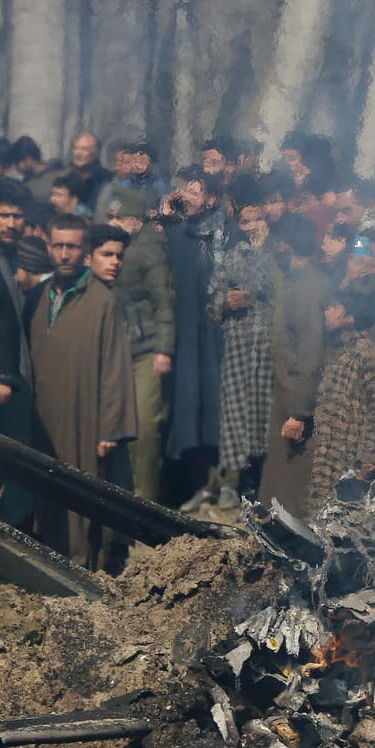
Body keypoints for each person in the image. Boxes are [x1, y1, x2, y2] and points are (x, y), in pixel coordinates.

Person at [28, 214, 136, 567]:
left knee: (84, 495)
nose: (64, 254)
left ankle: (84, 570)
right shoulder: (36, 297)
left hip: (85, 416)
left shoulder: (103, 301)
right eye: (57, 246)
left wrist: (109, 428)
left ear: (85, 251)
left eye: (72, 247)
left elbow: (115, 369)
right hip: (44, 416)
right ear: (48, 247)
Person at [163, 165, 231, 510]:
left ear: (211, 198)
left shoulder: (231, 237)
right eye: (184, 189)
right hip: (188, 339)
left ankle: (227, 488)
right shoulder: (177, 239)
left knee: (223, 413)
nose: (186, 197)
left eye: (194, 190)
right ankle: (197, 485)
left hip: (224, 342)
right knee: (189, 413)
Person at [101, 189, 176, 501]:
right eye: (111, 217)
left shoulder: (149, 249)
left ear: (135, 220)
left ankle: (146, 501)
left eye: (120, 217)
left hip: (145, 351)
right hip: (114, 350)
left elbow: (164, 301)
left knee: (145, 427)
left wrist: (163, 350)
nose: (114, 223)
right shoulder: (108, 246)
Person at [207, 192, 280, 501]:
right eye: (246, 221)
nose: (252, 227)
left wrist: (253, 292)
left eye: (258, 219)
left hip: (270, 349)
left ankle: (265, 484)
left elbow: (280, 294)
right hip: (238, 348)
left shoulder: (279, 256)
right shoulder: (232, 257)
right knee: (236, 418)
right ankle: (232, 484)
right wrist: (226, 302)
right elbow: (211, 302)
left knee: (266, 420)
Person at [258, 215, 330, 518]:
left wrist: (299, 412)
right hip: (289, 398)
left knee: (290, 489)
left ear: (286, 247)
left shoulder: (308, 290)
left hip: (297, 403)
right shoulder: (304, 285)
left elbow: (310, 352)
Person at [306, 285, 375, 511]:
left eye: (335, 307)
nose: (327, 311)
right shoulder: (341, 351)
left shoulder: (368, 354)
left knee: (344, 514)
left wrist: (370, 456)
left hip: (350, 456)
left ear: (350, 317)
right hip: (329, 452)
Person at [0, 179, 34, 526]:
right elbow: (0, 318)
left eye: (17, 216)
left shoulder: (10, 256)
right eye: (3, 215)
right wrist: (2, 376)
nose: (11, 223)